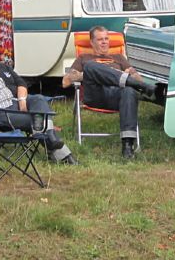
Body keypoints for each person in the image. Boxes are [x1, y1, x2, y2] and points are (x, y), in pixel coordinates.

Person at [0, 38, 77, 165]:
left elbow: (21, 83)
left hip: (18, 103)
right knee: (40, 119)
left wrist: (22, 101)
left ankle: (43, 132)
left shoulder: (1, 67)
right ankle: (62, 152)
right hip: (0, 112)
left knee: (38, 99)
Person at [62, 26, 156, 160]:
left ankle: (127, 146)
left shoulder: (119, 57)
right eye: (100, 39)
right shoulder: (84, 58)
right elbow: (65, 81)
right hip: (96, 95)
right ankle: (137, 85)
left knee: (129, 90)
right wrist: (88, 75)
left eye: (106, 39)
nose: (104, 42)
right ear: (92, 42)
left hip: (117, 96)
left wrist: (132, 77)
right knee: (91, 66)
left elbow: (138, 78)